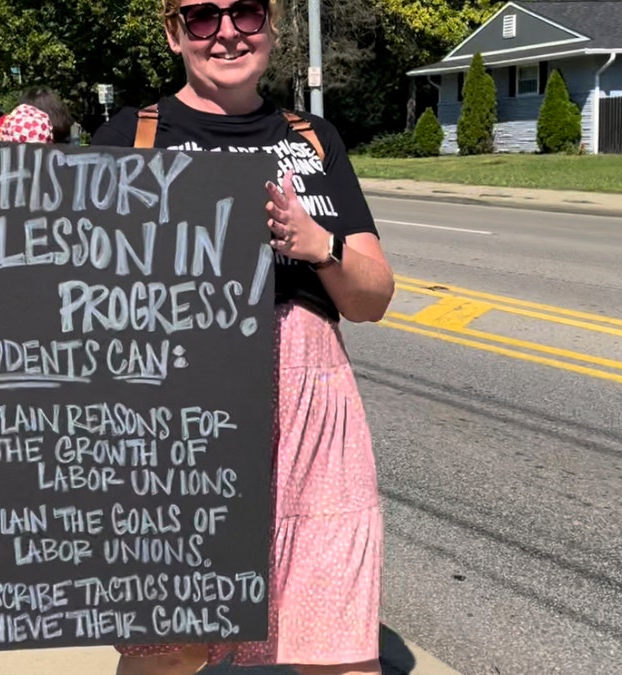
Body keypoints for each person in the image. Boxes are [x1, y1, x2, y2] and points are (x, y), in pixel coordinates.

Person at [92, 0, 395, 673]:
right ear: (175, 34)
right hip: (184, 404)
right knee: (175, 645)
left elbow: (373, 295)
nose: (226, 32)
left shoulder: (315, 140)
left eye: (245, 13)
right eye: (202, 17)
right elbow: (74, 293)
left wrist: (322, 245)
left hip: (312, 401)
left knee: (341, 646)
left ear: (272, 26)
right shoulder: (131, 138)